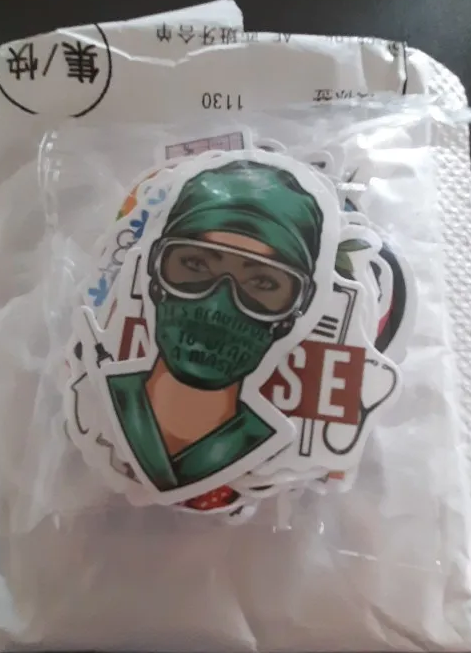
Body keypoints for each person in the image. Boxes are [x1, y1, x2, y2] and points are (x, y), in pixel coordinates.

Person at [105, 159, 323, 493]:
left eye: (262, 283)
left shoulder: (270, 447)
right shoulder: (104, 402)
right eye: (195, 264)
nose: (217, 304)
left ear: (297, 308)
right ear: (155, 270)